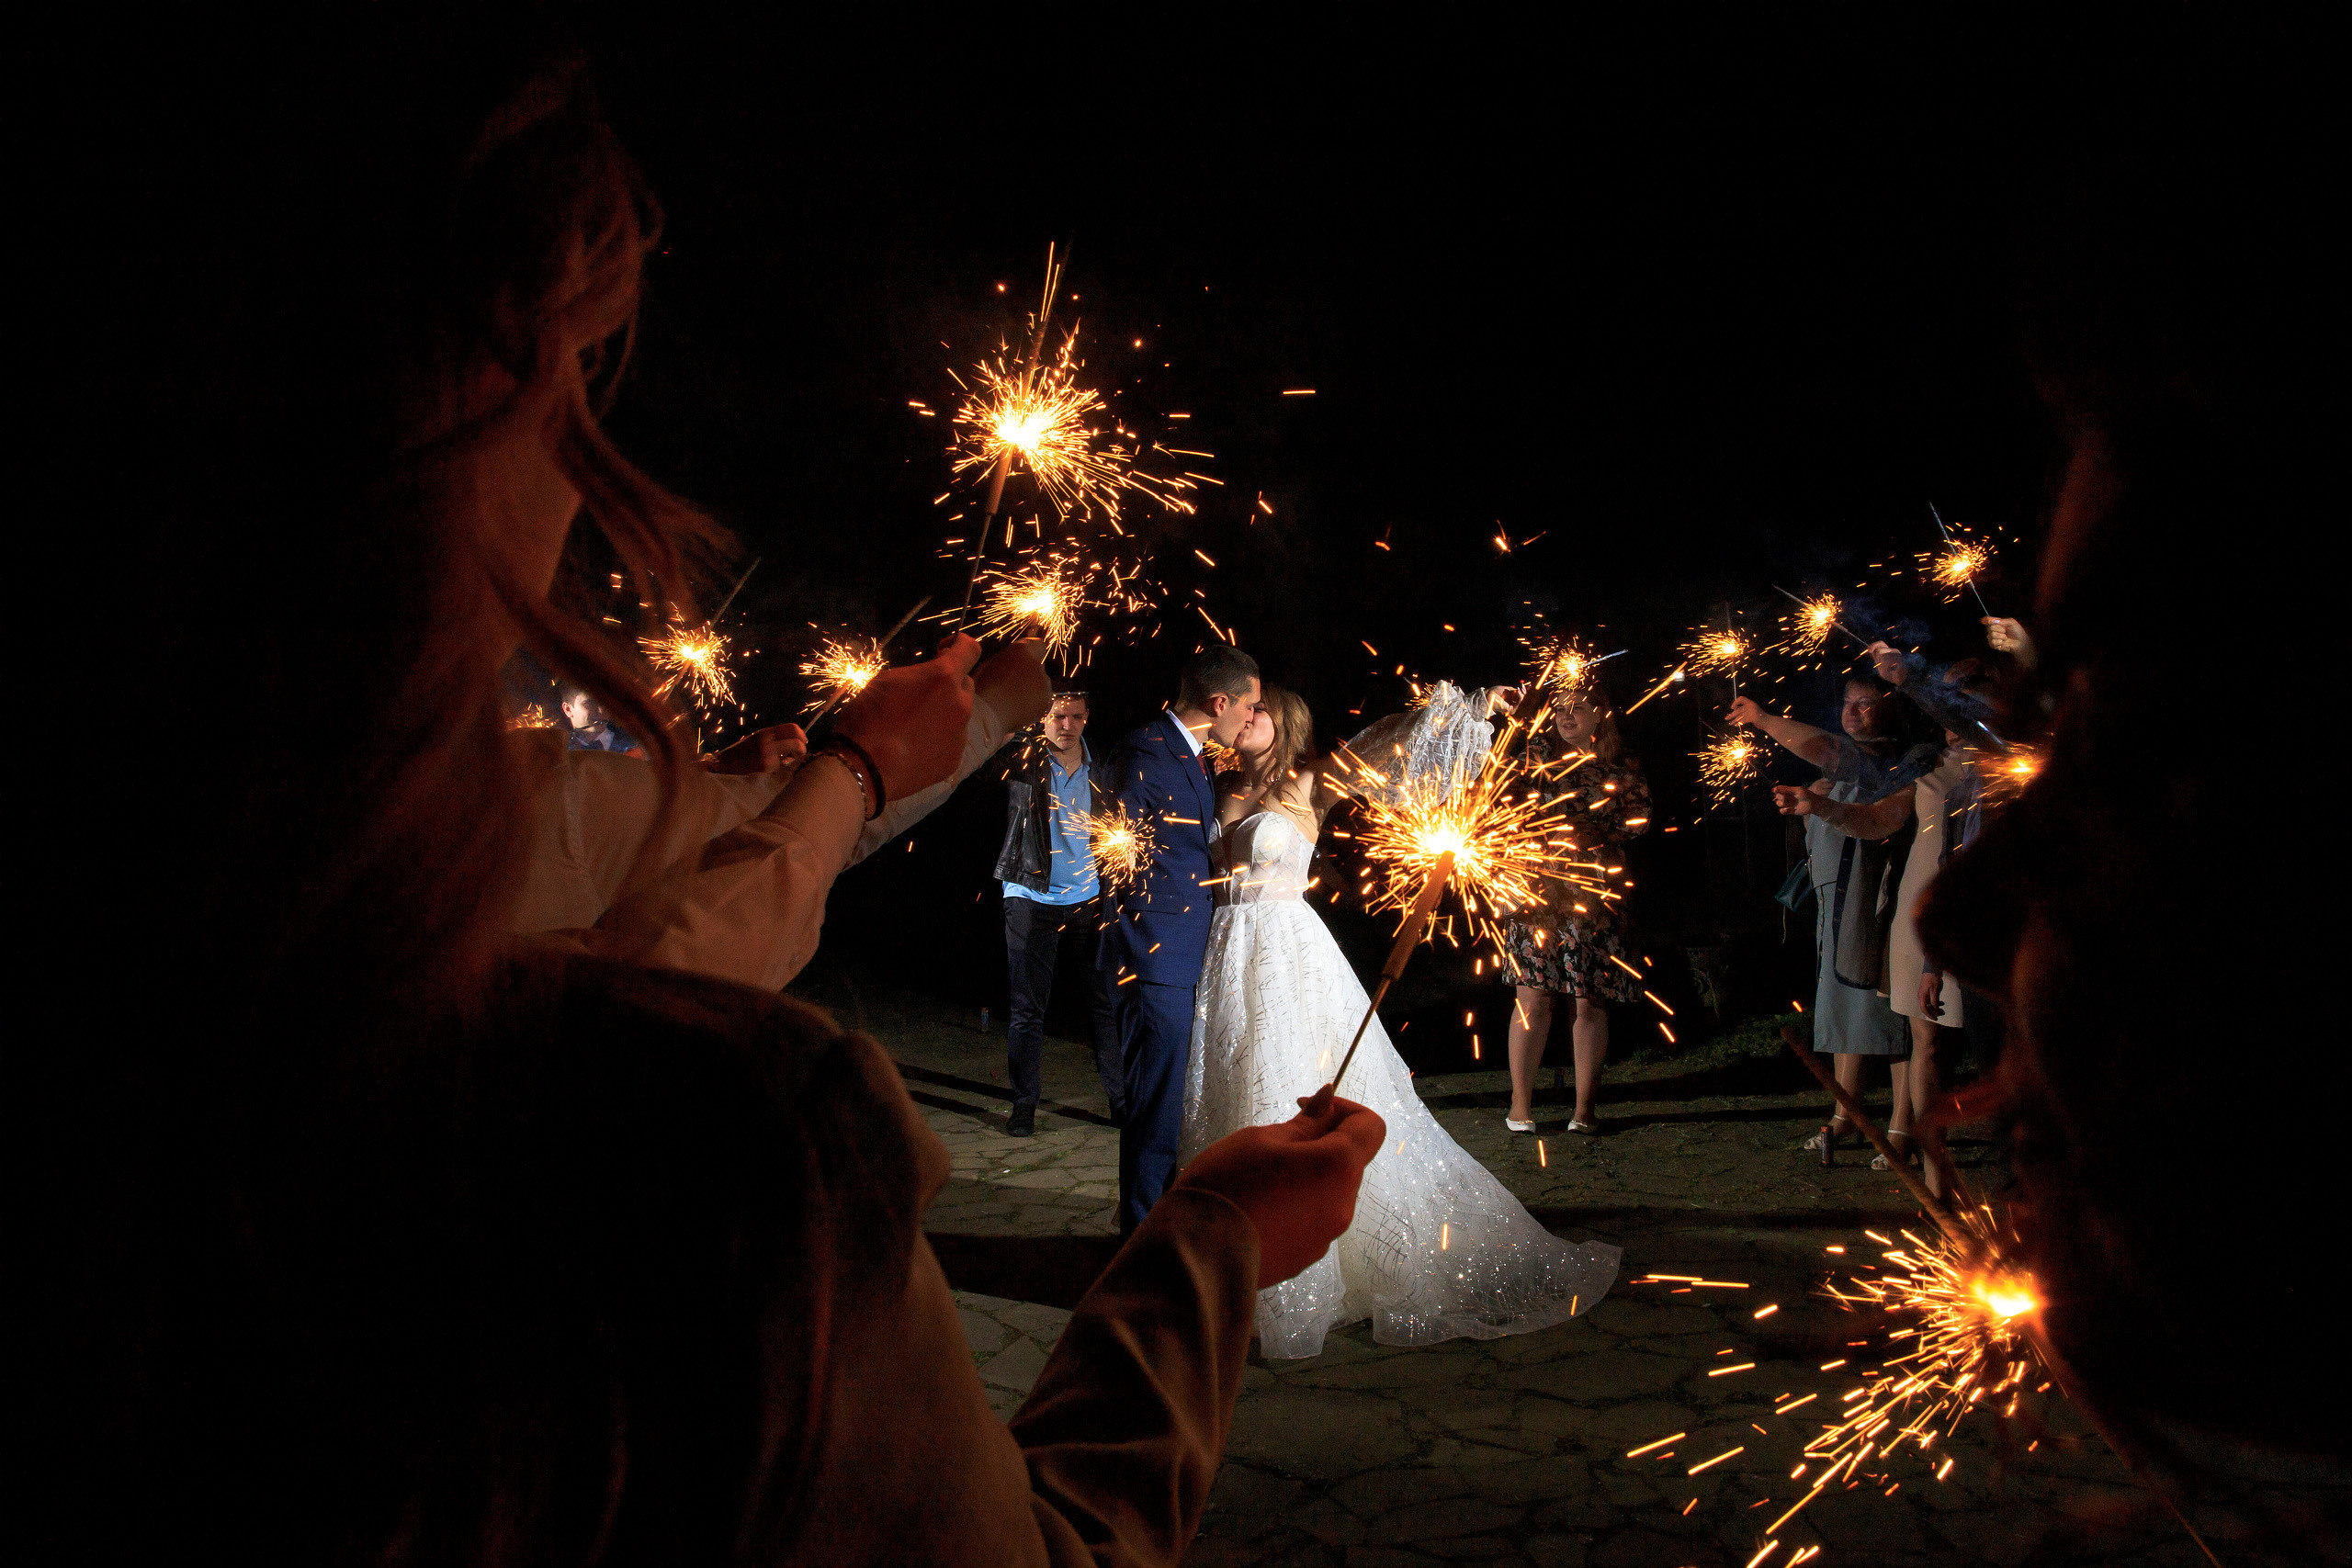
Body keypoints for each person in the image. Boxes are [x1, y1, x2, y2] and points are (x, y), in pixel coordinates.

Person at [47, 15, 1390, 1563]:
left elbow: (711, 839)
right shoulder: (704, 1140)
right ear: (440, 431)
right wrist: (1207, 1249)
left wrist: (918, 736)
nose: (581, 467)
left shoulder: (178, 951)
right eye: (564, 387)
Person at [1182, 681, 1623, 1357]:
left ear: (1290, 721)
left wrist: (1471, 707)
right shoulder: (1219, 788)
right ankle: (1233, 1261)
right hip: (1228, 950)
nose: (1246, 717)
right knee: (1236, 1084)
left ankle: (1305, 1267)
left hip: (1288, 950)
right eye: (1246, 707)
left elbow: (1387, 742)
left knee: (1296, 1077)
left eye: (1262, 708)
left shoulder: (1310, 780)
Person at [505, 643, 1051, 991]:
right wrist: (981, 717)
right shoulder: (483, 805)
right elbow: (675, 974)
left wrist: (711, 773)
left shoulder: (485, 789)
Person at [1731, 678, 1934, 1158]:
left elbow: (1828, 755)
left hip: (1880, 907)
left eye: (1867, 703)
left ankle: (1901, 1128)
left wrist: (1761, 719)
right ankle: (1846, 1114)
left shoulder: (1896, 763)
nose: (1854, 712)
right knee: (1846, 1008)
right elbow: (1825, 757)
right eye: (1847, 703)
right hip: (1837, 909)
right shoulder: (1841, 769)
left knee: (1889, 1015)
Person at [1099, 645, 1264, 1233]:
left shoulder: (1195, 757)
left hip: (1185, 953)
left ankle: (1156, 1227)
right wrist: (1145, 953)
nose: (1250, 718)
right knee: (1153, 1109)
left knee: (1169, 1108)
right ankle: (1140, 1243)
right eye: (1249, 706)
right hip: (1155, 958)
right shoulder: (1146, 751)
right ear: (1219, 702)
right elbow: (1115, 857)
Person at [1494, 686, 1653, 1134]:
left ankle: (1584, 1109)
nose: (1566, 716)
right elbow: (1501, 785)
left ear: (1600, 715)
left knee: (1590, 998)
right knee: (1532, 995)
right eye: (1560, 708)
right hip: (1536, 889)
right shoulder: (1536, 751)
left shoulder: (1620, 764)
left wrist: (1593, 832)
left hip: (1595, 890)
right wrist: (1517, 719)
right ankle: (1520, 1104)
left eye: (1577, 708)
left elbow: (1639, 817)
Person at [993, 686, 1123, 1135]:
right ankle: (1024, 1105)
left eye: (1076, 717)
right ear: (1042, 717)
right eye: (1057, 716)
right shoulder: (1021, 759)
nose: (1066, 725)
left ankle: (1120, 1102)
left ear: (1087, 718)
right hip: (1029, 893)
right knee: (1028, 1008)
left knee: (1104, 1003)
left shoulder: (1101, 766)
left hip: (1087, 898)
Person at [559, 681, 647, 756]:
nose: (601, 711)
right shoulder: (557, 750)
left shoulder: (636, 744)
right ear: (568, 709)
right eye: (589, 704)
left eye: (604, 703)